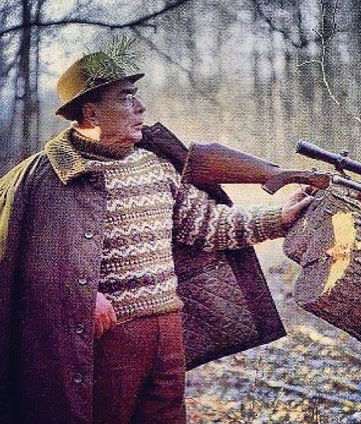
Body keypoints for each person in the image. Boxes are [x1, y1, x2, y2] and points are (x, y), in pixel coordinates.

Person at [0, 41, 314, 424]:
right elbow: (23, 266)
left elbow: (208, 225)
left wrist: (279, 217)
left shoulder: (155, 165)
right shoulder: (47, 178)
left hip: (168, 330)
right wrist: (79, 298)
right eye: (126, 98)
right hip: (102, 340)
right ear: (91, 112)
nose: (141, 107)